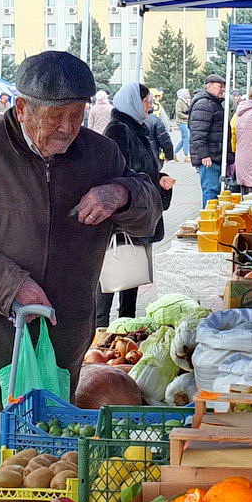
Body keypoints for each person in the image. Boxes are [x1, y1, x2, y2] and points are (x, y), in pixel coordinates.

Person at [0, 51, 161, 502]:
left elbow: (149, 214)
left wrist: (122, 193)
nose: (68, 128)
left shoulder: (99, 154)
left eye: (77, 115)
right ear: (22, 108)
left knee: (49, 500)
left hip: (59, 357)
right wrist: (10, 284)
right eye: (56, 116)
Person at [96, 83, 175, 328]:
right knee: (111, 274)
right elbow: (117, 173)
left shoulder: (137, 128)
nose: (150, 104)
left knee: (132, 274)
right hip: (124, 216)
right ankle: (99, 331)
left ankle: (126, 329)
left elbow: (142, 169)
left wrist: (158, 178)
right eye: (145, 100)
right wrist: (148, 182)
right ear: (132, 102)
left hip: (138, 212)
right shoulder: (118, 130)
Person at [188, 74, 232, 207]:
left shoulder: (213, 103)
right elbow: (198, 133)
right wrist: (204, 155)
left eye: (223, 86)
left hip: (215, 155)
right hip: (209, 158)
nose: (222, 89)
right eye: (220, 86)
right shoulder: (204, 104)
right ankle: (208, 217)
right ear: (209, 85)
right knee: (211, 192)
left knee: (215, 192)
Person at [173, 88, 191, 162]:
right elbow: (178, 113)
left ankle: (174, 153)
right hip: (182, 122)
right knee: (186, 138)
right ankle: (186, 155)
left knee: (184, 139)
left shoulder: (186, 101)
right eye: (187, 93)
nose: (188, 94)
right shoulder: (179, 101)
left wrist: (189, 104)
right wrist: (187, 117)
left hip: (186, 122)